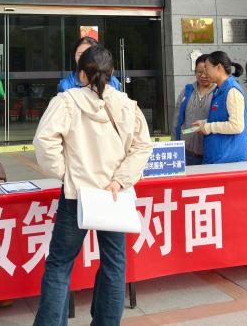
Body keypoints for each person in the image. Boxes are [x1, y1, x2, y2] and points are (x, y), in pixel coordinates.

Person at [33, 45, 152, 326]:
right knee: (114, 263)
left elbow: (44, 142)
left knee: (60, 264)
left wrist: (65, 174)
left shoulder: (66, 101)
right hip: (114, 196)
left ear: (81, 74)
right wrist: (120, 180)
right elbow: (142, 147)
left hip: (76, 195)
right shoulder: (127, 105)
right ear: (111, 73)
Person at [190, 52, 247, 164]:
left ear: (219, 67)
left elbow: (236, 126)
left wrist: (208, 127)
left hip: (228, 159)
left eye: (207, 68)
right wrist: (204, 123)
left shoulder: (232, 90)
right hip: (218, 157)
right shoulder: (220, 89)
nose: (205, 72)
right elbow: (221, 117)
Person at [173, 54, 214, 165]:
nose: (203, 76)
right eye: (199, 72)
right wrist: (174, 145)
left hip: (210, 152)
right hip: (187, 151)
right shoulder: (187, 91)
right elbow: (177, 120)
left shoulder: (219, 92)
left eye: (206, 72)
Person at [57, 36, 121, 92]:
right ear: (74, 55)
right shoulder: (65, 85)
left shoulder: (113, 82)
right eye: (80, 54)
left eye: (89, 55)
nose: (84, 59)